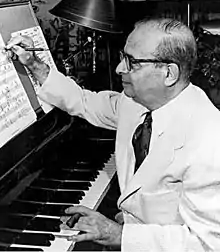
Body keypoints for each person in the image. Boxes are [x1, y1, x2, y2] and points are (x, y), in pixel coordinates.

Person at [6, 18, 220, 252]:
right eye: (122, 56)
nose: (119, 68)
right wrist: (34, 64)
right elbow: (84, 102)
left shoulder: (209, 139)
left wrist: (119, 234)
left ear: (169, 73)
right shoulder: (136, 102)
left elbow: (207, 244)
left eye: (132, 62)